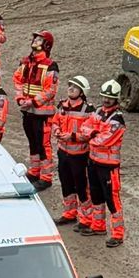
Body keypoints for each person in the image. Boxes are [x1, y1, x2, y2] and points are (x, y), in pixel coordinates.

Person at [13, 31, 59, 186]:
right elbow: (18, 80)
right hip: (28, 110)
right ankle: (34, 171)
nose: (35, 41)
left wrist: (32, 101)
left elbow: (50, 90)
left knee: (43, 144)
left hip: (42, 112)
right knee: (32, 141)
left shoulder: (50, 65)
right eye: (35, 38)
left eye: (39, 39)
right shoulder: (25, 62)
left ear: (46, 44)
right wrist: (20, 98)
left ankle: (46, 178)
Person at [51, 76, 97, 226]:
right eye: (70, 86)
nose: (70, 89)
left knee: (82, 187)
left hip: (79, 155)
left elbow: (90, 132)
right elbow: (55, 121)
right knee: (66, 184)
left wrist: (71, 136)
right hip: (63, 152)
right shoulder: (62, 105)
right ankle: (69, 213)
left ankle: (86, 219)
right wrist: (57, 130)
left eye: (75, 88)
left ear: (82, 92)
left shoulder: (89, 110)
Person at [87, 80, 127, 243]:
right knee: (96, 196)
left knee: (112, 200)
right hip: (94, 162)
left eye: (109, 98)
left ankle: (118, 234)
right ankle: (98, 226)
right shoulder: (98, 112)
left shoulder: (118, 119)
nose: (105, 100)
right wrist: (93, 133)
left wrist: (91, 134)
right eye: (104, 96)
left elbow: (104, 140)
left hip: (109, 167)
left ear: (116, 99)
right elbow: (85, 127)